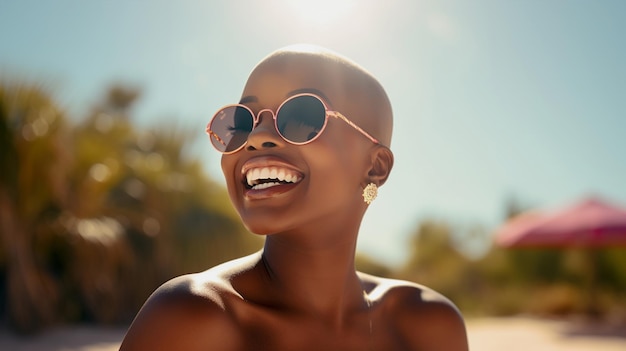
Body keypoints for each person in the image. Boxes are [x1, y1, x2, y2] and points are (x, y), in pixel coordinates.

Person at [120, 44, 468, 351]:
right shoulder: (192, 318)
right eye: (240, 123)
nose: (256, 137)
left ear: (375, 167)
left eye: (301, 116)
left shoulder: (429, 324)